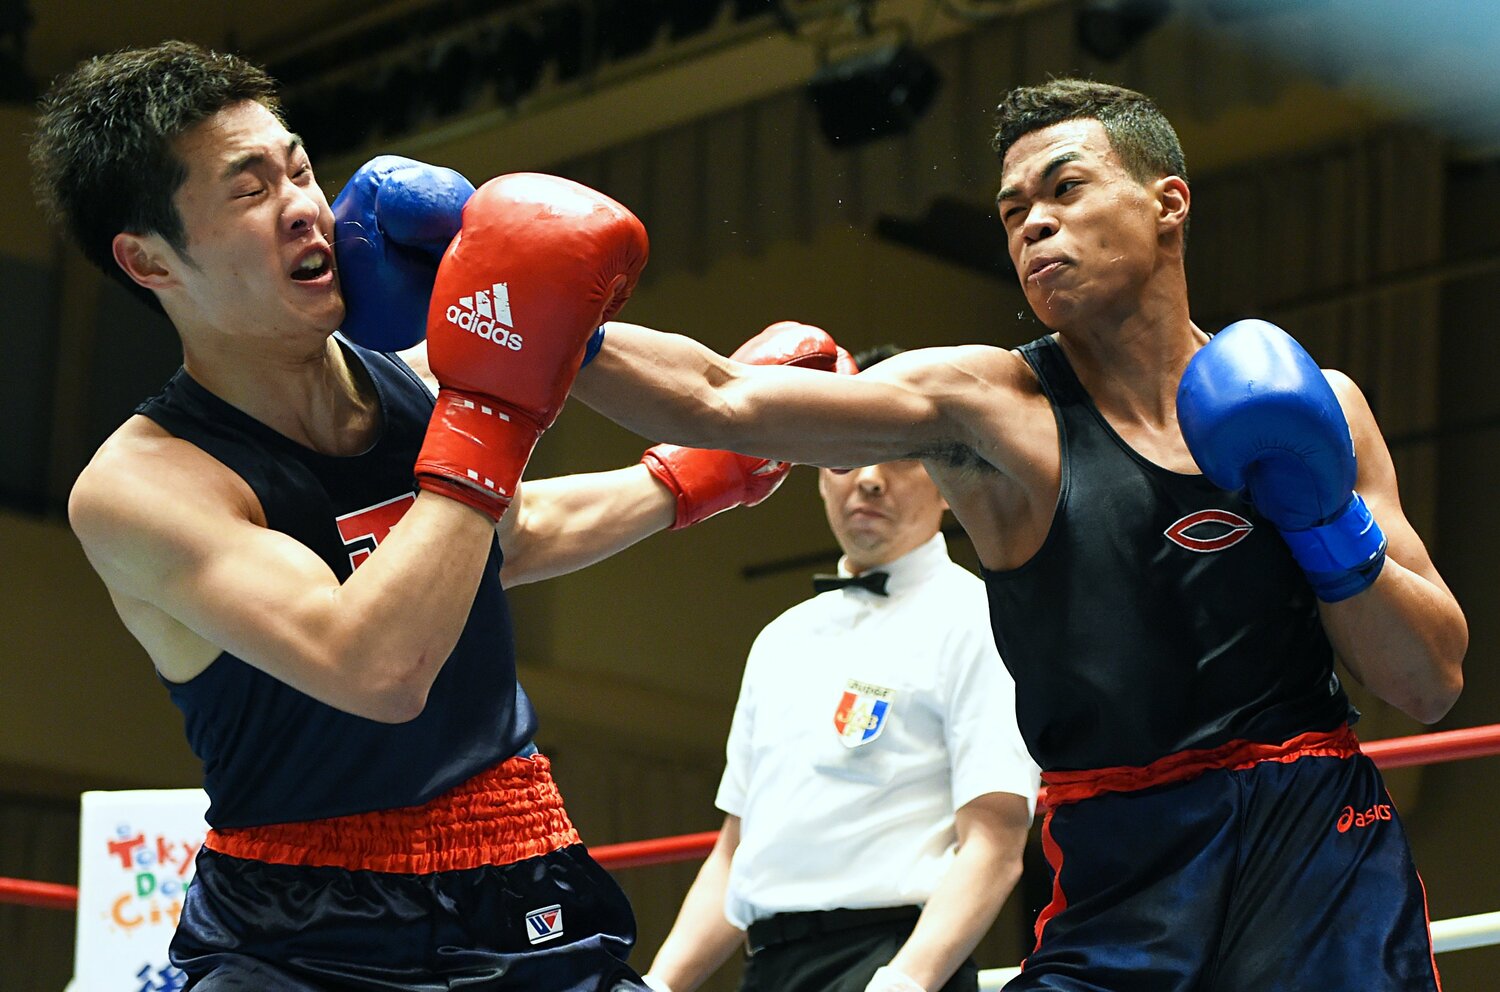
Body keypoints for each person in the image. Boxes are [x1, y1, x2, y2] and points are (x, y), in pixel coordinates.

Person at [561, 78, 1469, 990]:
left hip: (1318, 855)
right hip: (1124, 876)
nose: (1034, 224)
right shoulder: (988, 406)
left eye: (1065, 188)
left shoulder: (1322, 406)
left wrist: (1324, 519)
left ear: (1168, 203)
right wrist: (547, 313)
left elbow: (1426, 682)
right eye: (1012, 211)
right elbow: (721, 397)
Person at [30, 41, 836, 990]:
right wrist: (492, 406)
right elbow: (376, 665)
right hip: (301, 934)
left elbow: (508, 536)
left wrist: (698, 474)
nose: (302, 205)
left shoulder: (418, 380)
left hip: (520, 867)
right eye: (250, 190)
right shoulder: (144, 486)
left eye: (299, 169)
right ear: (148, 258)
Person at [640, 345, 1039, 992]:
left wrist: (904, 983)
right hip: (767, 968)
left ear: (946, 474)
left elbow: (995, 844)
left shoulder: (978, 619)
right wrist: (657, 985)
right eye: (848, 455)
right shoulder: (780, 640)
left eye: (899, 453)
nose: (870, 478)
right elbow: (735, 852)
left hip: (893, 958)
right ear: (819, 472)